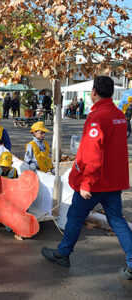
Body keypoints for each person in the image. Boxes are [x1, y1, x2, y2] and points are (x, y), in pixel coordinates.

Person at [41, 76, 132, 280]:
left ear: (94, 92)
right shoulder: (118, 115)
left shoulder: (97, 116)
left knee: (75, 217)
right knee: (117, 220)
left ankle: (63, 254)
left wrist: (86, 183)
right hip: (112, 181)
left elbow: (93, 154)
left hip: (94, 183)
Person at [0, 151, 18, 232]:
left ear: (11, 163)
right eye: (2, 166)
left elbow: (16, 183)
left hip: (8, 193)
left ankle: (9, 221)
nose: (4, 168)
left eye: (6, 166)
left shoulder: (14, 172)